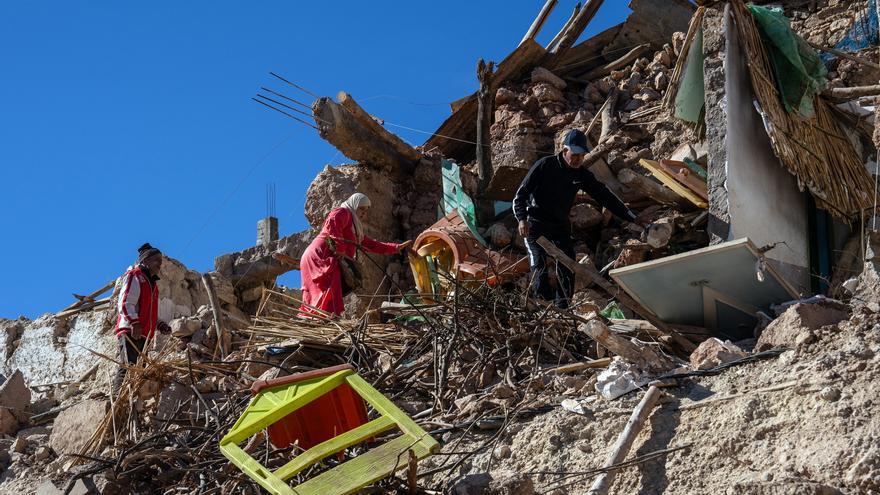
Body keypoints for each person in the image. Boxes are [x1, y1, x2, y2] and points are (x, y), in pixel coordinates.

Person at [513, 129, 644, 308]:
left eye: (582, 155)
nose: (578, 159)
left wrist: (633, 218)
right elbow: (520, 195)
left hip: (559, 225)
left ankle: (563, 308)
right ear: (564, 150)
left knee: (568, 264)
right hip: (535, 222)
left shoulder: (581, 174)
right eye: (575, 155)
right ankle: (540, 306)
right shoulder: (545, 165)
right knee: (538, 263)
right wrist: (522, 219)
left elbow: (605, 196)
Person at [300, 193, 412, 316]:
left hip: (322, 256)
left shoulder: (355, 229)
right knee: (329, 286)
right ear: (354, 204)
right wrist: (340, 248)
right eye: (361, 208)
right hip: (321, 254)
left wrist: (395, 248)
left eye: (366, 210)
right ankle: (321, 316)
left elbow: (372, 245)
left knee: (329, 288)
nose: (364, 213)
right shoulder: (344, 212)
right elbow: (333, 221)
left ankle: (320, 317)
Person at [112, 243, 170, 395]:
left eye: (161, 260)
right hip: (131, 331)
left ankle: (132, 398)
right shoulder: (135, 276)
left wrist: (160, 325)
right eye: (156, 260)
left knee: (139, 371)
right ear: (146, 261)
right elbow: (125, 303)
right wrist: (135, 322)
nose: (160, 264)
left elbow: (148, 313)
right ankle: (118, 398)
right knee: (129, 366)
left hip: (144, 334)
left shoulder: (153, 285)